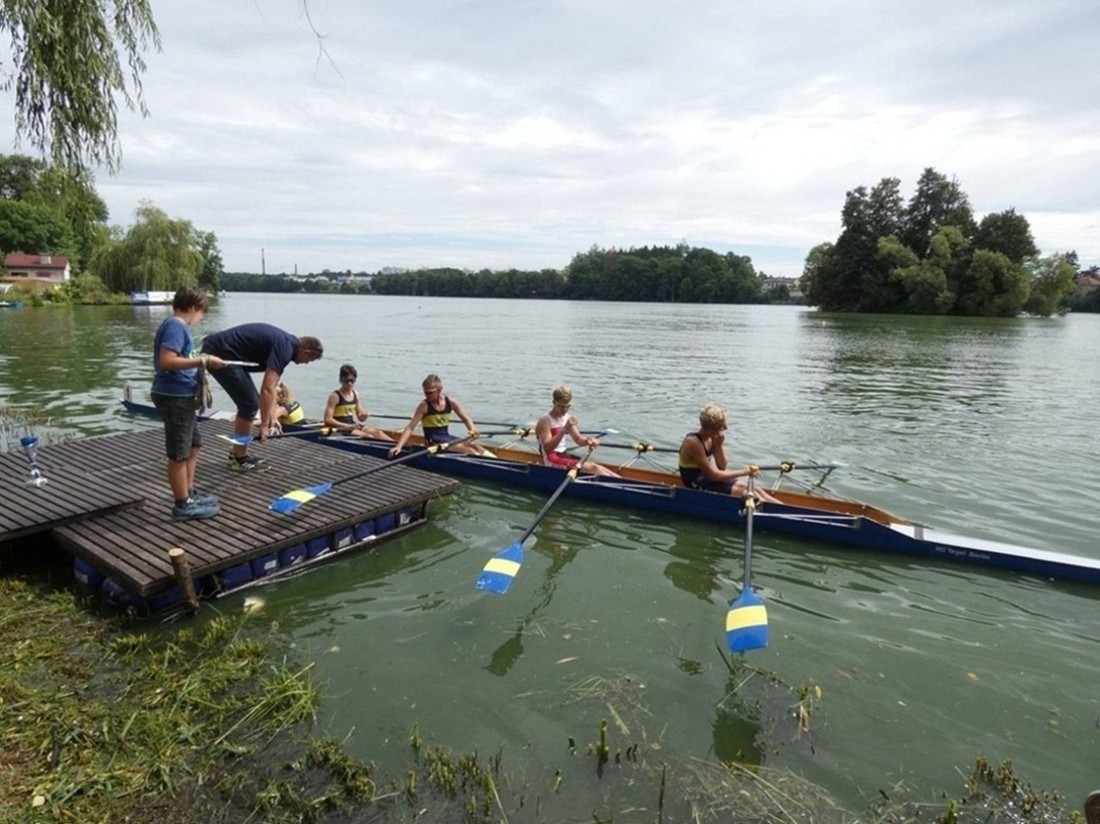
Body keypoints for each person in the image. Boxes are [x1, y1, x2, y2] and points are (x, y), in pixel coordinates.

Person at [200, 323, 324, 470]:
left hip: (225, 351)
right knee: (249, 404)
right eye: (309, 360)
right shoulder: (285, 348)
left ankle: (239, 453)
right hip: (220, 354)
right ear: (307, 352)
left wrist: (272, 417)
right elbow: (267, 389)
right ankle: (239, 459)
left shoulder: (286, 345)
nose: (306, 363)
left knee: (250, 403)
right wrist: (264, 425)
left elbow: (273, 387)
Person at [150, 286, 228, 520]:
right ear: (193, 308)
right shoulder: (175, 326)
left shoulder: (176, 326)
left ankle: (189, 492)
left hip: (183, 395)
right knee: (179, 454)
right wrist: (202, 361)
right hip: (175, 396)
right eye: (202, 313)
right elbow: (167, 361)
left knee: (193, 445)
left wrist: (202, 361)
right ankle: (182, 505)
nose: (201, 319)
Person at [678, 404, 770, 499]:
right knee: (746, 492)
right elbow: (713, 476)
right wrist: (745, 471)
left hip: (707, 476)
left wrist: (719, 445)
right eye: (722, 426)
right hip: (694, 482)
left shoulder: (711, 436)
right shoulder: (693, 442)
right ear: (710, 429)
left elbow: (722, 466)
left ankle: (780, 506)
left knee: (753, 487)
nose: (726, 428)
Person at [388, 373, 486, 456]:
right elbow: (410, 427)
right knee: (469, 451)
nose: (427, 396)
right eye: (425, 392)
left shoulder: (451, 402)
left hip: (446, 437)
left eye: (430, 393)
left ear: (439, 390)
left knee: (477, 447)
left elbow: (466, 418)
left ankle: (492, 460)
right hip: (433, 442)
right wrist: (399, 446)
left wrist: (472, 429)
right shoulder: (424, 406)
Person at [535, 385, 618, 477]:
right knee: (594, 468)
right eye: (561, 406)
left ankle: (625, 482)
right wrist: (563, 430)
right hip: (550, 459)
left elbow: (578, 439)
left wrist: (589, 440)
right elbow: (547, 448)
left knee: (598, 467)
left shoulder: (567, 418)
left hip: (562, 455)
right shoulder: (545, 421)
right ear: (554, 403)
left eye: (567, 406)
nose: (564, 410)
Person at [322, 363, 393, 441]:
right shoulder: (335, 396)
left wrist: (365, 415)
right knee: (368, 436)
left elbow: (360, 418)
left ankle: (398, 445)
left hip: (352, 425)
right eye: (346, 381)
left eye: (352, 380)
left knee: (377, 433)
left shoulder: (355, 394)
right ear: (340, 380)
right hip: (340, 428)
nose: (349, 384)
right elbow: (327, 420)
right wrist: (347, 426)